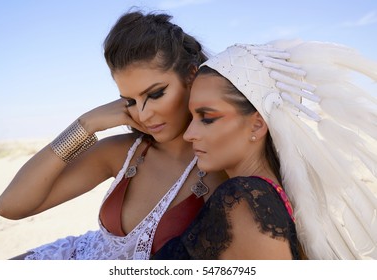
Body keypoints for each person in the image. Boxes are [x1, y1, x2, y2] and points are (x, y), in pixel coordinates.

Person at [0, 10, 227, 260]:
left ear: (191, 76)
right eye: (129, 100)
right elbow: (10, 206)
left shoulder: (220, 164)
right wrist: (85, 125)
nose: (143, 114)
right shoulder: (125, 152)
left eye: (155, 94)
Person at [152, 41, 377, 259]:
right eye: (192, 117)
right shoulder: (264, 199)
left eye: (207, 118)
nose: (189, 134)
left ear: (257, 125)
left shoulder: (244, 201)